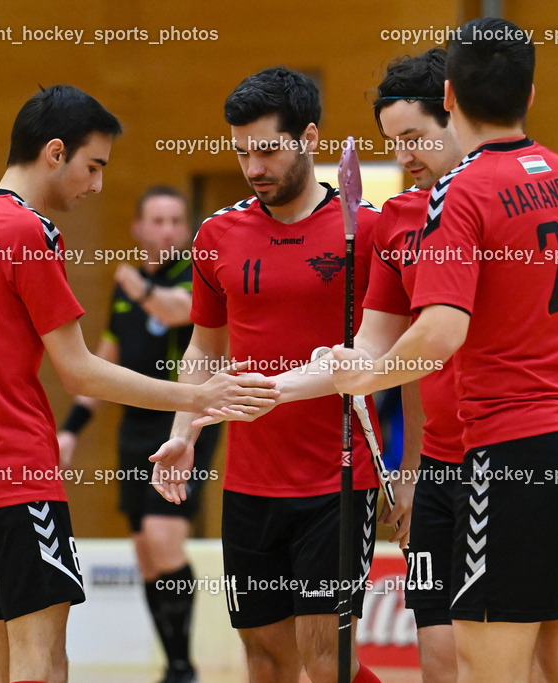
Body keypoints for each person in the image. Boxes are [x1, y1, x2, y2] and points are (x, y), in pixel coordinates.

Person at [0, 85, 278, 683]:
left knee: (11, 666)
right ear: (54, 153)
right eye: (92, 166)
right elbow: (79, 369)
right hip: (19, 478)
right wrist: (196, 395)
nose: (96, 184)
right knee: (41, 667)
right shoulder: (28, 230)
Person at [328, 18, 558, 681]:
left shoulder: (463, 190)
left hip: (509, 458)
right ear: (530, 94)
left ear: (448, 96)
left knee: (488, 669)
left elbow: (442, 332)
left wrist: (368, 378)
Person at [149, 67, 385, 683]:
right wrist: (185, 430)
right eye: (242, 151)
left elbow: (396, 357)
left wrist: (404, 473)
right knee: (264, 660)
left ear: (309, 138)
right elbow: (204, 347)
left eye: (268, 149)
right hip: (250, 483)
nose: (253, 166)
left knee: (326, 658)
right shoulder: (218, 235)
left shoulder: (366, 231)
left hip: (337, 480)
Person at [57, 185, 221, 683]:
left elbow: (177, 311)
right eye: (158, 221)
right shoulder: (124, 295)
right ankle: (173, 663)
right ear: (138, 228)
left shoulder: (195, 273)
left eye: (177, 221)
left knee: (163, 538)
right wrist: (69, 431)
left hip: (185, 425)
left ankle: (183, 667)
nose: (169, 230)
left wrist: (137, 285)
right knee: (146, 554)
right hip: (135, 428)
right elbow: (103, 364)